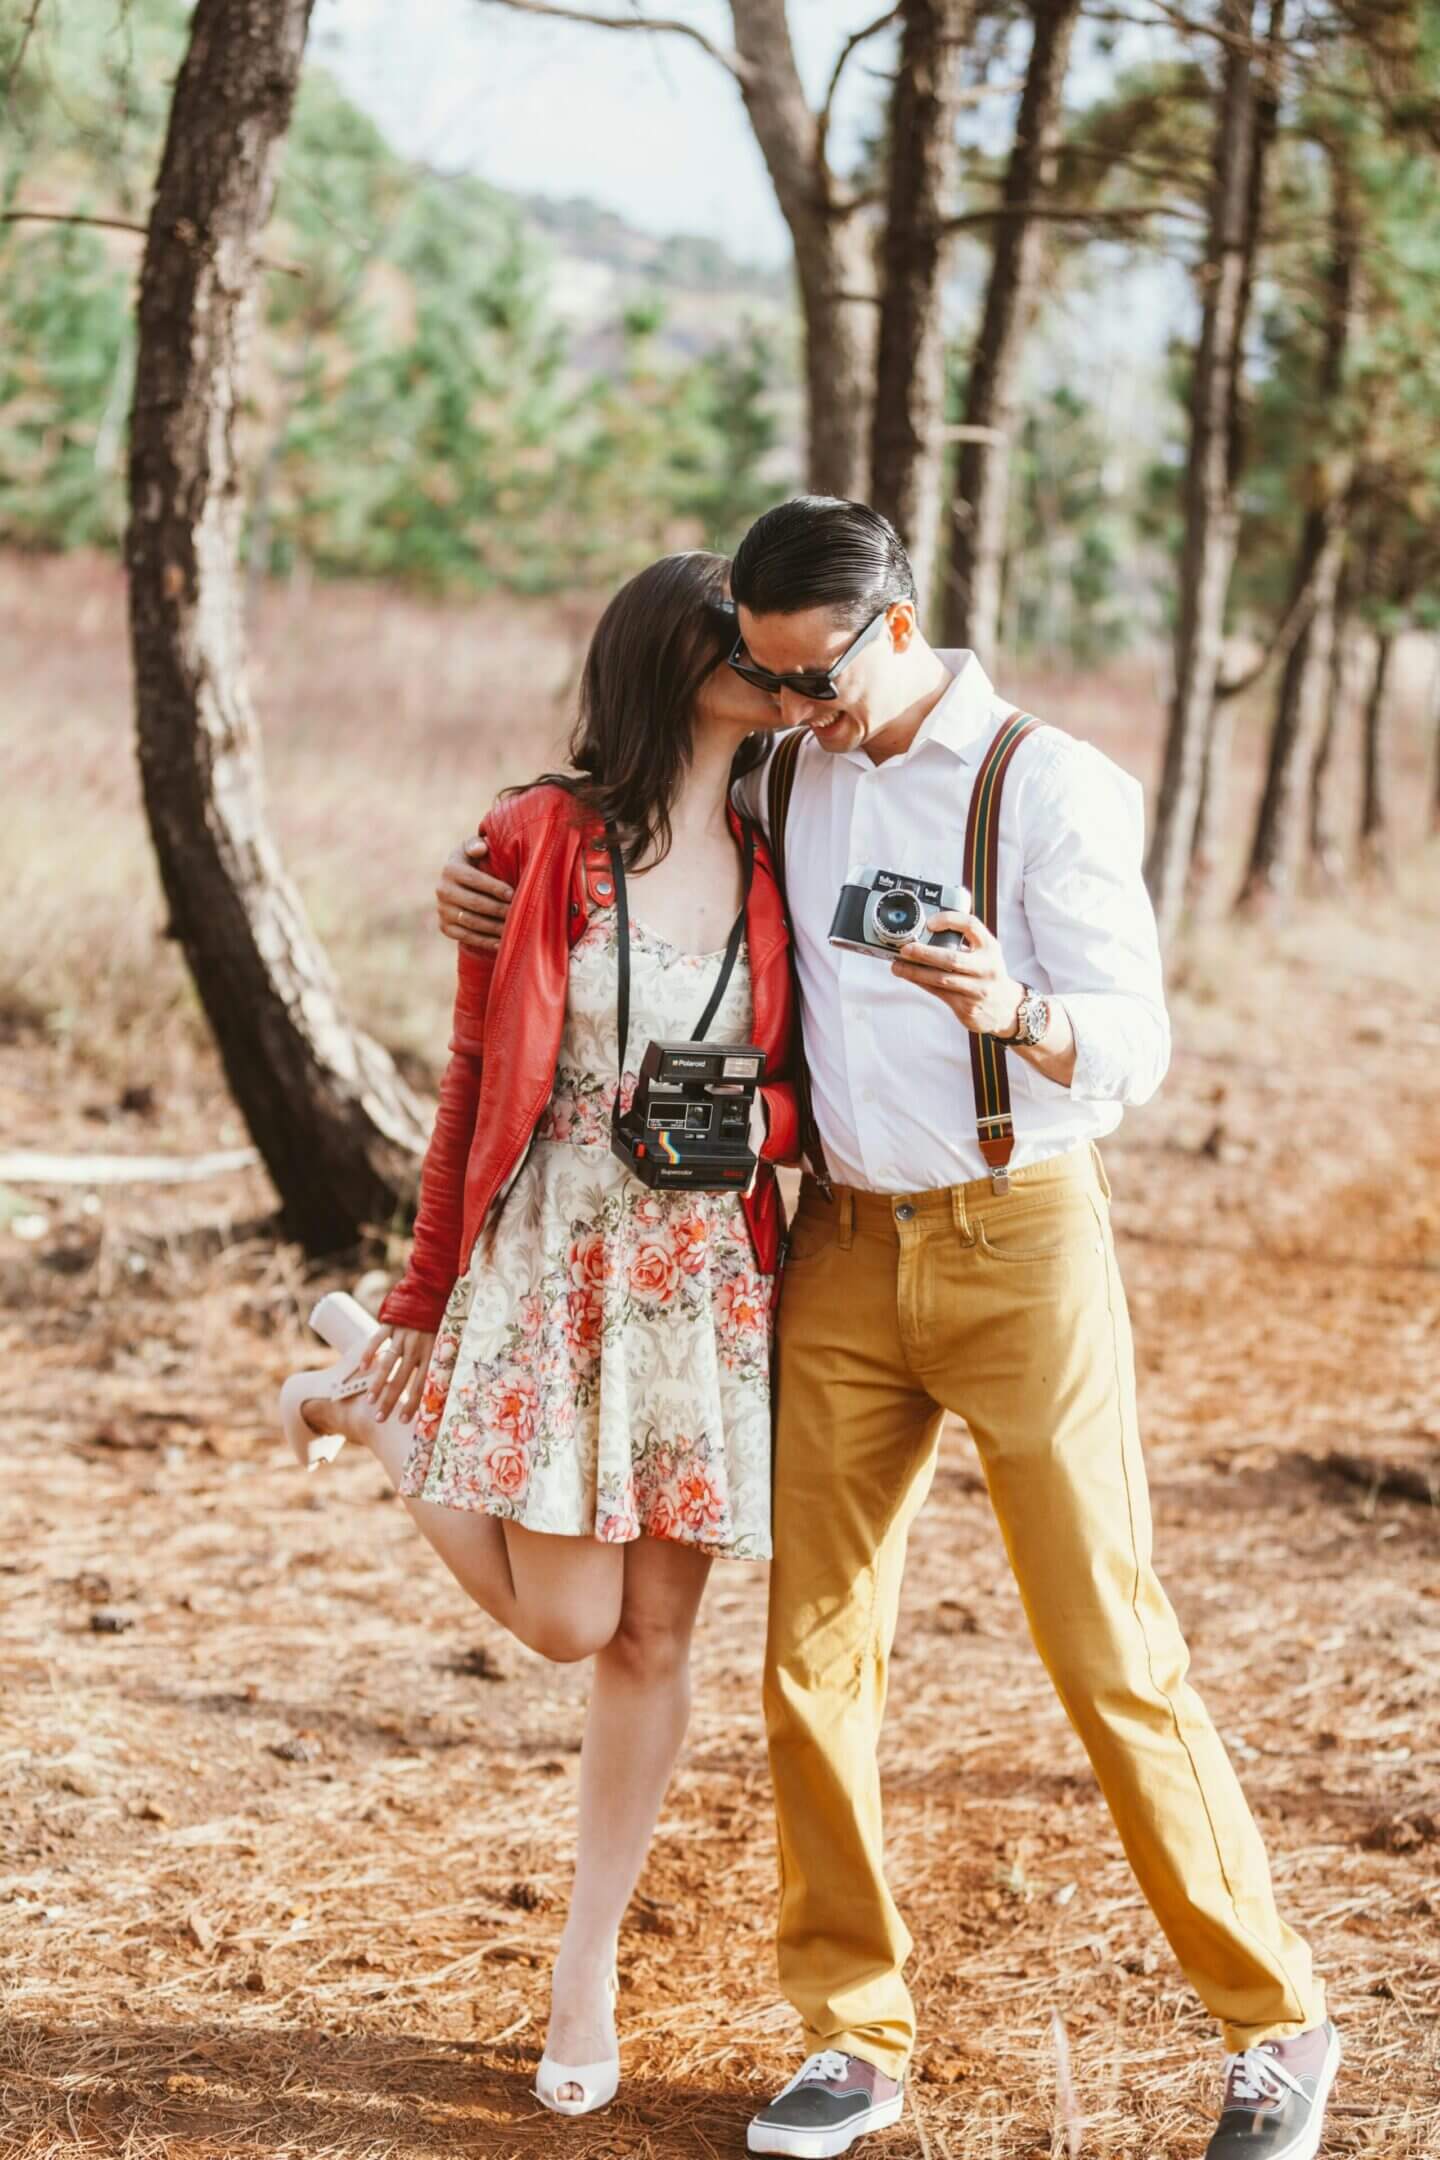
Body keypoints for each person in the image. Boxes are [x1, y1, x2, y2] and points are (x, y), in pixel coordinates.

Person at [439, 497, 1338, 2160]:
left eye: (817, 677)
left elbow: (1138, 1043)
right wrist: (482, 890)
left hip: (1022, 1244)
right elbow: (638, 832)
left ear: (898, 621)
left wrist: (1024, 1011)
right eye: (773, 683)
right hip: (837, 1250)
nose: (798, 711)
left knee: (1109, 1655)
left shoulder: (1051, 784)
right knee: (811, 1667)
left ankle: (1274, 2022)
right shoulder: (792, 769)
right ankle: (851, 2032)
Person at [279, 550, 798, 2119]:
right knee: (570, 1624)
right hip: (556, 1253)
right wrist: (426, 1296)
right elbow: (466, 1078)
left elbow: (814, 1075)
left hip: (704, 1276)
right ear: (675, 656)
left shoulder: (791, 841)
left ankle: (587, 1964)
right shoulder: (541, 836)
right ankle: (374, 1404)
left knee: (656, 1638)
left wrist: (753, 1126)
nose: (780, 668)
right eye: (745, 645)